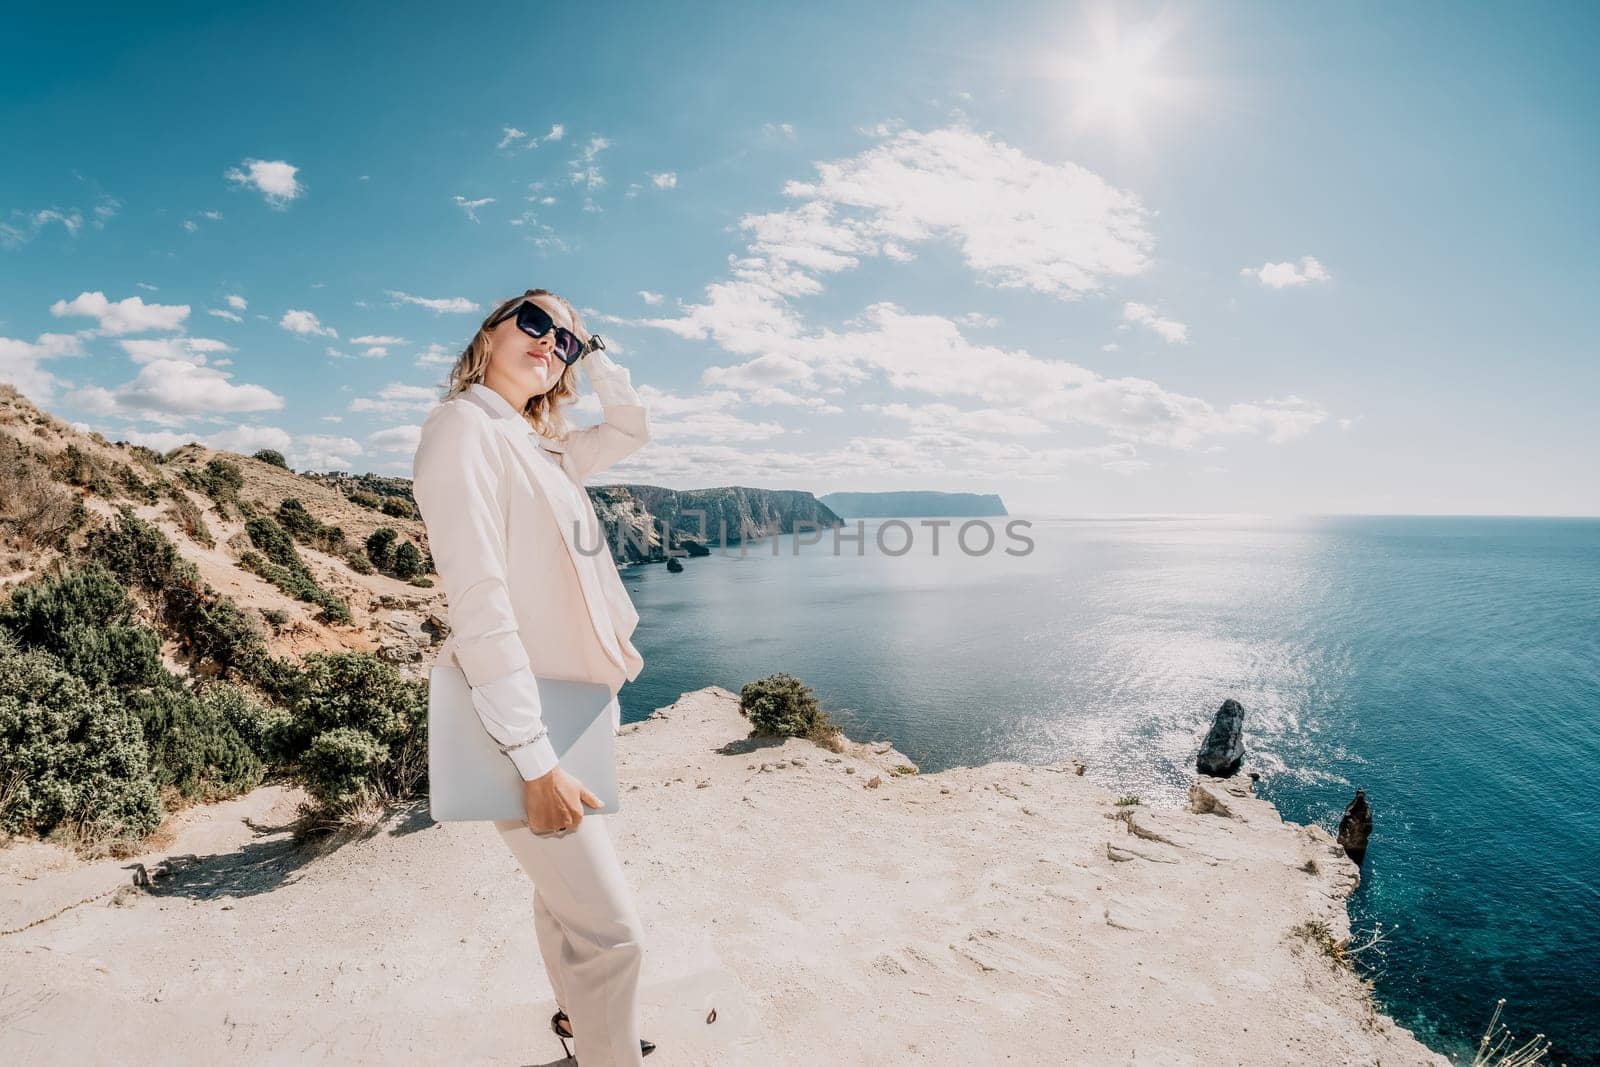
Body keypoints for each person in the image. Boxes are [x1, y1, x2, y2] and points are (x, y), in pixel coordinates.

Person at [410, 288, 655, 1064]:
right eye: (536, 321)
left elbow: (630, 428)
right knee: (615, 934)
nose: (551, 342)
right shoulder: (463, 428)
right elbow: (480, 603)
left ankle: (581, 1029)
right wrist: (535, 758)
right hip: (529, 729)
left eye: (568, 343)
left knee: (566, 901)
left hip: (571, 709)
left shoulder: (539, 444)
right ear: (489, 331)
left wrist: (601, 351)